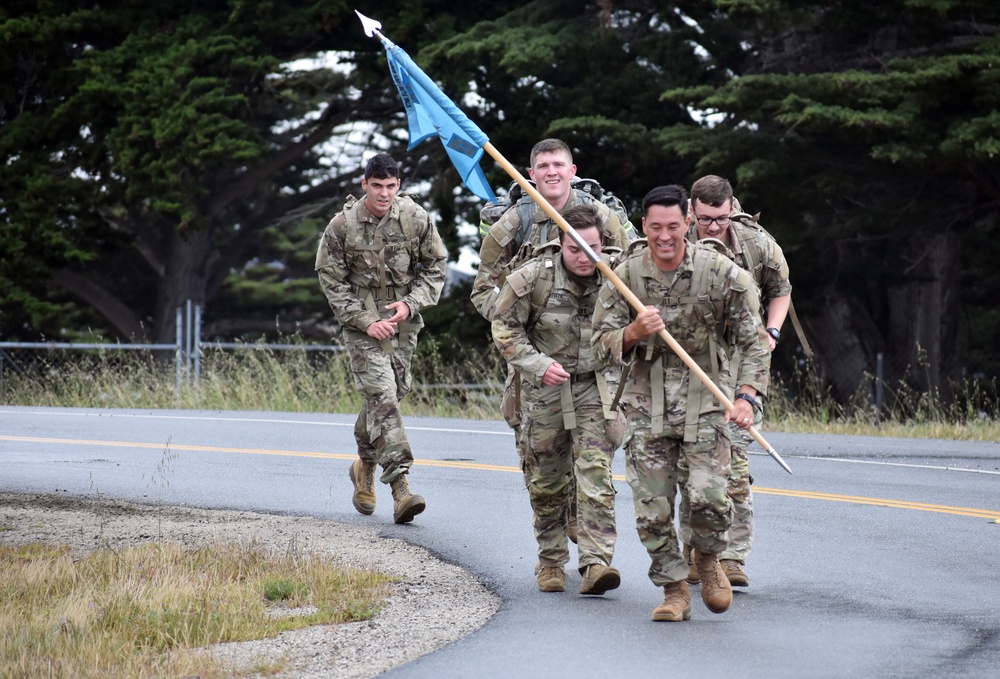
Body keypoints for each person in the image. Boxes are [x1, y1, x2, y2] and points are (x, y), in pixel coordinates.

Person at [591, 184, 769, 621]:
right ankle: (673, 590)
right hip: (645, 405)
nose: (665, 236)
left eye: (673, 227)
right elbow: (597, 344)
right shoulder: (624, 274)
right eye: (655, 228)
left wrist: (747, 396)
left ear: (687, 223)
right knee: (651, 510)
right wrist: (633, 331)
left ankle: (708, 561)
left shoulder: (722, 273)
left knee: (709, 499)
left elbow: (754, 342)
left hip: (707, 401)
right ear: (645, 226)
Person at [472, 138, 634, 542]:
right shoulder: (511, 223)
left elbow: (633, 271)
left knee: (594, 450)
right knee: (539, 456)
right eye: (543, 166)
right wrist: (518, 316)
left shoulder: (601, 217)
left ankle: (582, 516)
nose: (551, 172)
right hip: (532, 356)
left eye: (558, 165)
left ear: (572, 170)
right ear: (531, 174)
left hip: (593, 354)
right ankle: (553, 524)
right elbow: (482, 290)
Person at [491, 204, 626, 594]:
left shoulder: (621, 275)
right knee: (547, 481)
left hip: (597, 387)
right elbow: (505, 331)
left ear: (605, 244)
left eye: (593, 248)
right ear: (560, 244)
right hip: (543, 388)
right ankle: (550, 561)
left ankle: (596, 562)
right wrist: (536, 364)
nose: (585, 257)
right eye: (576, 249)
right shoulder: (531, 278)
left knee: (595, 475)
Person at [315, 152, 447, 524]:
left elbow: (435, 268)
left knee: (390, 396)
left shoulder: (415, 219)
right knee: (382, 396)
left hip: (404, 322)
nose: (384, 194)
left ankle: (364, 466)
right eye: (377, 186)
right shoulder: (342, 226)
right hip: (362, 327)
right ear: (364, 185)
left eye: (391, 186)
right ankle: (400, 484)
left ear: (399, 185)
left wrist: (411, 304)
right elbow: (331, 282)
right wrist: (365, 320)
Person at [679, 174, 792, 588]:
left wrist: (772, 332)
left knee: (735, 465)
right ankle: (694, 550)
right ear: (691, 210)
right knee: (690, 470)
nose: (713, 227)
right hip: (688, 367)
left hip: (743, 364)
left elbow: (782, 288)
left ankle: (731, 557)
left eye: (721, 218)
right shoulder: (674, 239)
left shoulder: (755, 242)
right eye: (706, 218)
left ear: (732, 209)